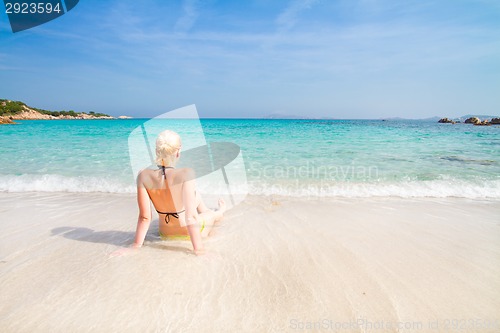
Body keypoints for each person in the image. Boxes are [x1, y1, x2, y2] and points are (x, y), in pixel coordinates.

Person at [119, 130, 226, 256]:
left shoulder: (143, 175)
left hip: (165, 234)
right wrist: (199, 250)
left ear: (157, 151)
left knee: (194, 195)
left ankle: (205, 210)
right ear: (178, 152)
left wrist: (135, 246)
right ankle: (219, 211)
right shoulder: (186, 173)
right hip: (188, 234)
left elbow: (145, 217)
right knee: (211, 214)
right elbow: (190, 218)